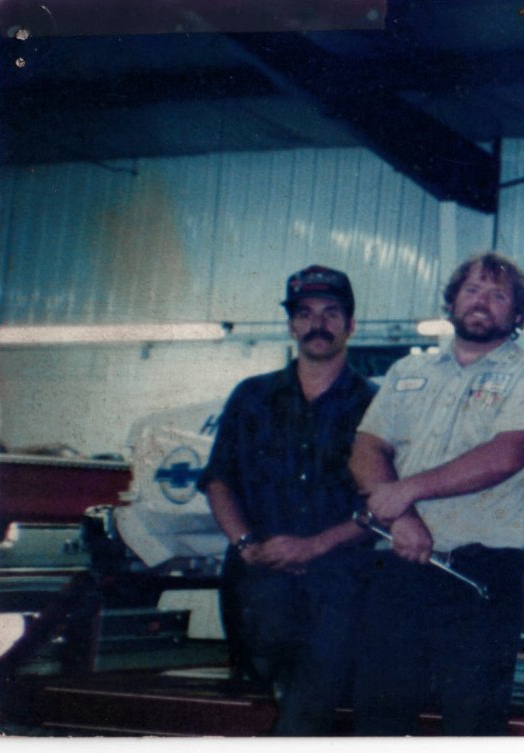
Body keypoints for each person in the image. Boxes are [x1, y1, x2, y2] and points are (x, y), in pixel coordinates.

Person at [349, 252, 524, 735]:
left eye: (497, 295)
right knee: (379, 722)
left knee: (473, 727)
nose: (481, 301)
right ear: (451, 302)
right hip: (397, 568)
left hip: (479, 577)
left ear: (518, 313)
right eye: (471, 290)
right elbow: (367, 447)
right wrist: (403, 518)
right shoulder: (408, 371)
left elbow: (508, 453)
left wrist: (406, 491)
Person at [200, 265, 377, 735]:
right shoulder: (251, 397)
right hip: (258, 585)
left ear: (351, 324)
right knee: (272, 704)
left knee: (308, 708)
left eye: (331, 313)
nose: (318, 324)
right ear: (291, 324)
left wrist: (315, 546)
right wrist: (246, 545)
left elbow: (384, 503)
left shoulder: (377, 405)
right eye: (305, 313)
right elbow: (218, 481)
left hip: (339, 587)